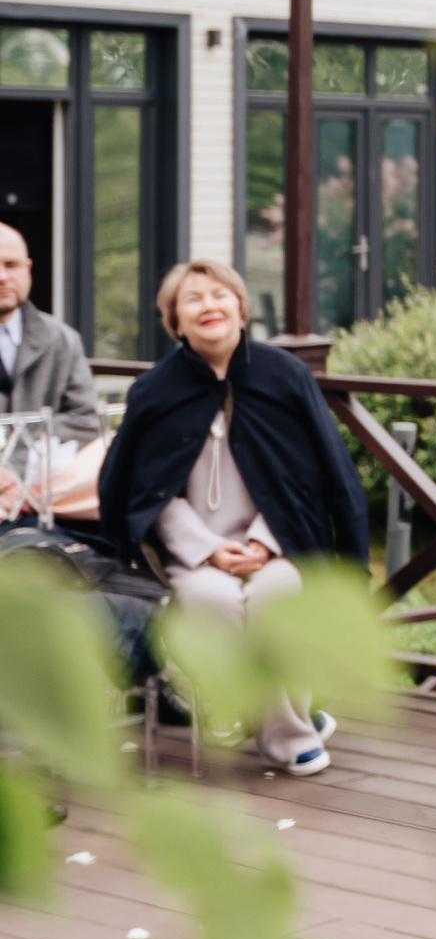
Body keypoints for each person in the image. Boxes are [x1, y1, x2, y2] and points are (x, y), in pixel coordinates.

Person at [95, 260, 368, 772]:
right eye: (192, 298)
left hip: (277, 545)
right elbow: (141, 490)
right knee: (212, 601)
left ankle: (289, 733)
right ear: (174, 320)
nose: (209, 305)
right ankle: (256, 709)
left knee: (276, 598)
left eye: (220, 294)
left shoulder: (284, 375)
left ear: (241, 309)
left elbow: (318, 473)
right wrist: (207, 549)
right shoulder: (154, 391)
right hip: (192, 556)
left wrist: (266, 543)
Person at [0, 222, 107, 523]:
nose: (2, 277)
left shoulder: (62, 338)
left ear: (28, 268)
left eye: (11, 264)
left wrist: (20, 464)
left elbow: (85, 420)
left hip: (46, 495)